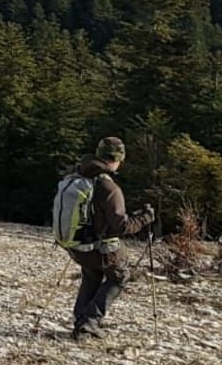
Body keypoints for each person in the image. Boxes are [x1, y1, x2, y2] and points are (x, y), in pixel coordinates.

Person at [63, 136, 155, 340]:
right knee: (119, 277)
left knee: (92, 275)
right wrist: (144, 218)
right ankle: (89, 321)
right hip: (101, 248)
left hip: (77, 246)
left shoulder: (76, 177)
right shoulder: (109, 188)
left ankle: (81, 320)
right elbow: (121, 226)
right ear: (116, 159)